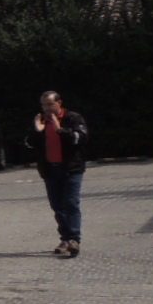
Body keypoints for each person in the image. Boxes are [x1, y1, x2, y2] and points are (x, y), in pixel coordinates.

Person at [24, 90, 88, 257]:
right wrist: (37, 131)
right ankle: (65, 239)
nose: (47, 108)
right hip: (50, 169)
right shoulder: (41, 120)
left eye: (50, 104)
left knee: (71, 203)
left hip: (71, 169)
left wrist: (60, 129)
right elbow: (28, 144)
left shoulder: (72, 118)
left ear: (59, 103)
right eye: (44, 105)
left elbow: (80, 138)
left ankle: (74, 239)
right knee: (57, 206)